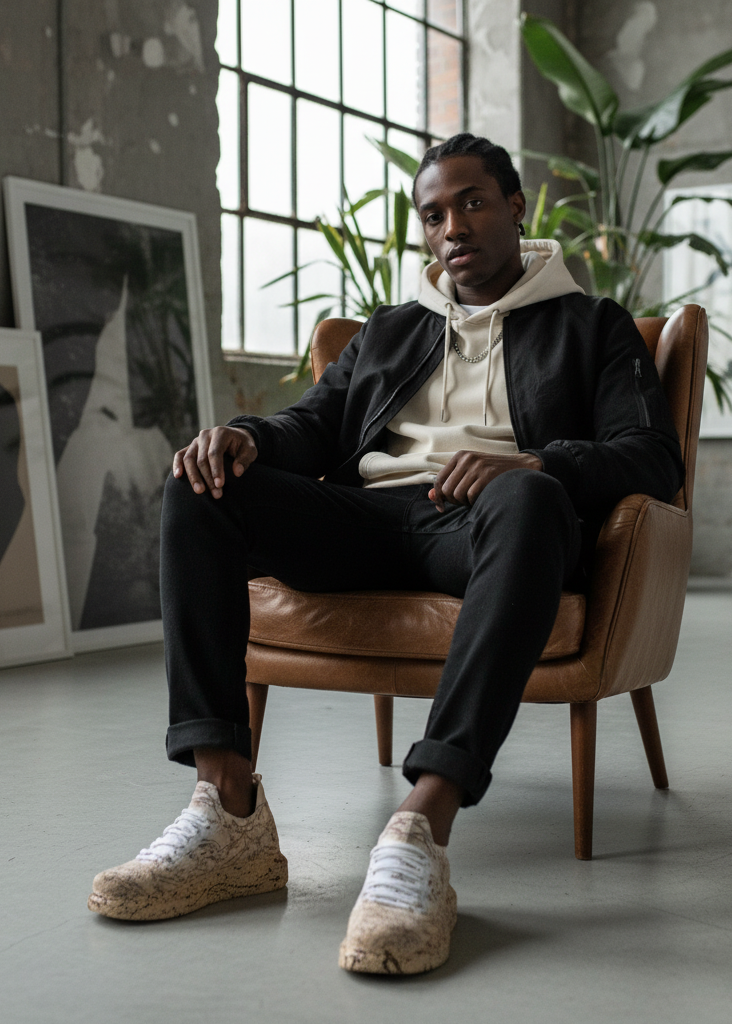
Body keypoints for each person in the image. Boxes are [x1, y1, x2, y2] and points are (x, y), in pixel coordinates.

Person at [88, 134, 683, 975]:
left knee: (529, 496)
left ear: (515, 208)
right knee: (201, 482)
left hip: (487, 526)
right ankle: (227, 811)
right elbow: (313, 425)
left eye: (472, 203)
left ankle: (421, 827)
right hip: (365, 519)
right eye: (433, 215)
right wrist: (247, 437)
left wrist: (535, 462)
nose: (452, 228)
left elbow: (652, 457)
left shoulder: (592, 325)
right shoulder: (392, 330)